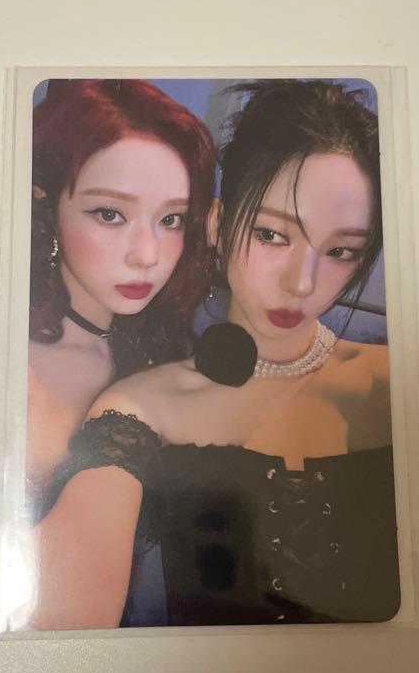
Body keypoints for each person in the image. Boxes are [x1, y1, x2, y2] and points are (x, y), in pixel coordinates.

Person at [33, 80, 399, 629]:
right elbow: (67, 613)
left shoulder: (401, 386)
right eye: (273, 235)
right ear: (219, 225)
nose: (302, 283)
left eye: (341, 251)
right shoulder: (140, 406)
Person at [26, 80, 215, 497]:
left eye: (171, 220)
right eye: (110, 214)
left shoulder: (155, 343)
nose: (147, 255)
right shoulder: (15, 370)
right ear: (45, 205)